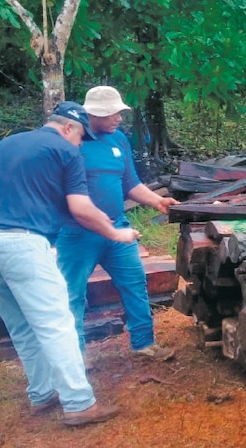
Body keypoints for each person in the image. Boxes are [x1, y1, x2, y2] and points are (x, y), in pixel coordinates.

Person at [0, 101, 138, 426]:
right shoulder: (66, 151)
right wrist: (116, 234)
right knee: (56, 323)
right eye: (81, 136)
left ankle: (42, 393)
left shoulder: (9, 143)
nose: (81, 143)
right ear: (69, 127)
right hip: (24, 242)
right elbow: (80, 207)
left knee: (21, 325)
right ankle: (79, 403)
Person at [56, 86, 179, 363]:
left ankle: (143, 343)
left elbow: (130, 183)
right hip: (77, 233)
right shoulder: (72, 141)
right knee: (72, 294)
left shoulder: (119, 140)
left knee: (135, 283)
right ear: (93, 115)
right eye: (113, 113)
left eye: (120, 113)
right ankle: (72, 358)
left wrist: (159, 202)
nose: (119, 118)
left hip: (118, 230)